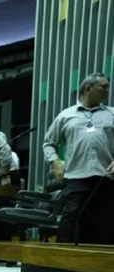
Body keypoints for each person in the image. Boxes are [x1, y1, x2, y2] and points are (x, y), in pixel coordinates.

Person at [43, 72, 114, 244]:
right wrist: (55, 163)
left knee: (104, 221)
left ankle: (101, 263)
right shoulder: (65, 116)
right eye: (103, 87)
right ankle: (63, 259)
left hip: (105, 176)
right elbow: (48, 142)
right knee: (71, 216)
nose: (107, 90)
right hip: (76, 176)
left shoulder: (112, 113)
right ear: (88, 88)